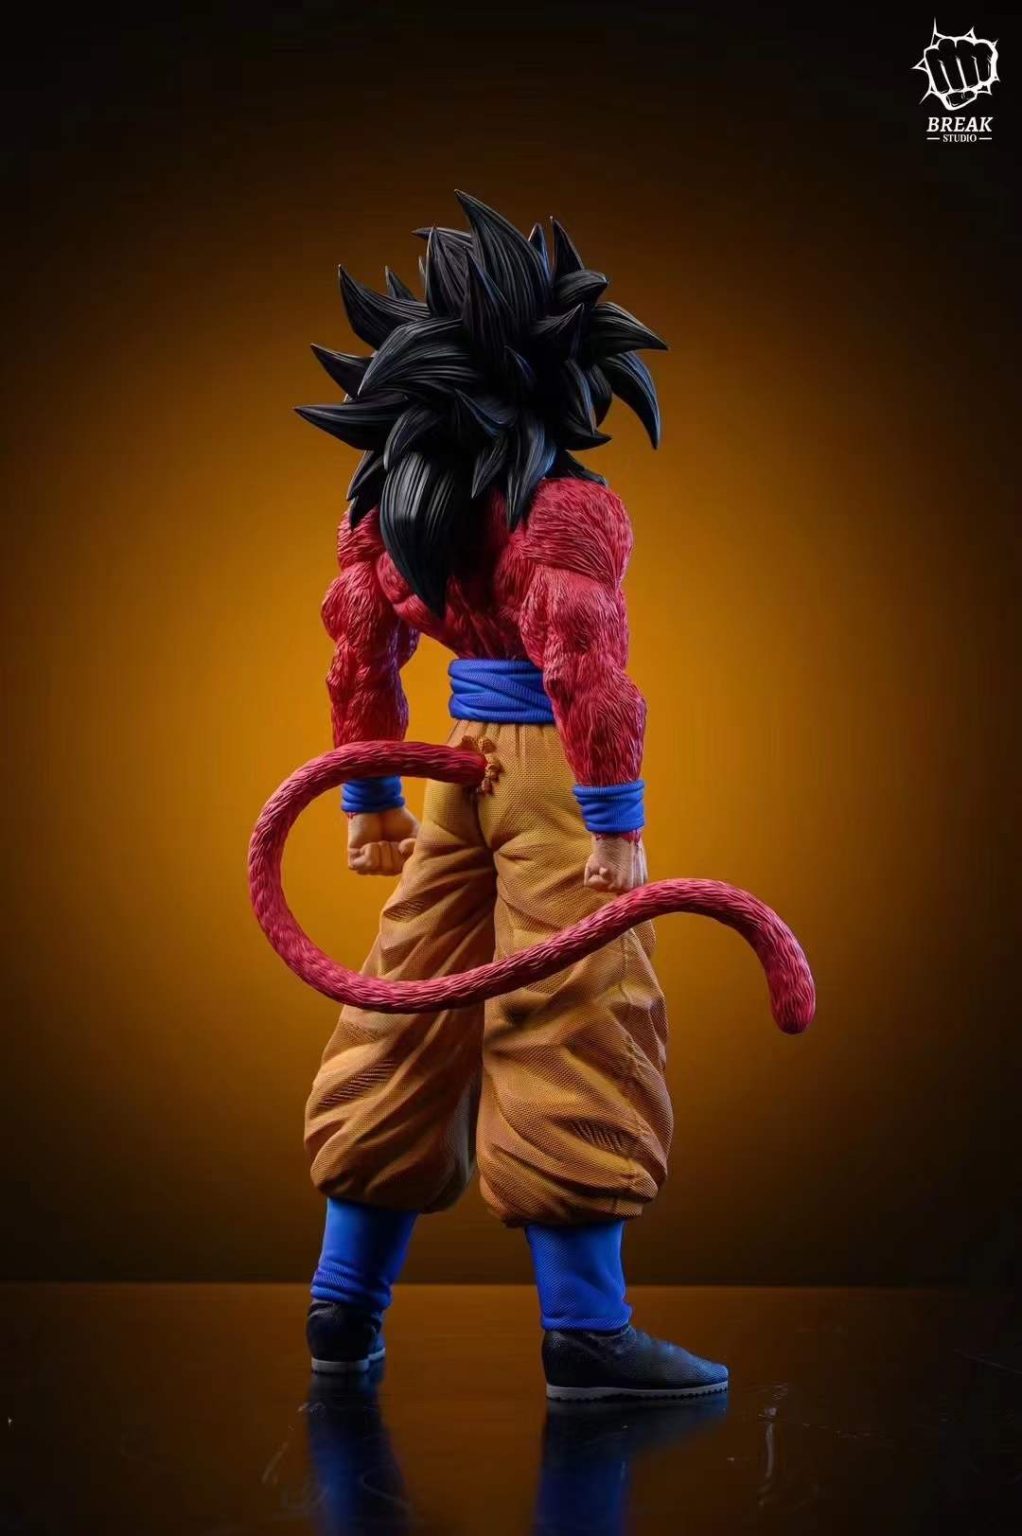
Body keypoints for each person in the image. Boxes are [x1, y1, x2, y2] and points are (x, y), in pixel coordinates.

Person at [298, 193, 728, 1401]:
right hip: (548, 769)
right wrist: (614, 817)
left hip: (454, 766)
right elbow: (582, 656)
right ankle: (586, 1334)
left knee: (403, 1003)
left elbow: (357, 647)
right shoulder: (563, 507)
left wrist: (371, 798)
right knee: (576, 1006)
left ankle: (341, 1308)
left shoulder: (384, 506)